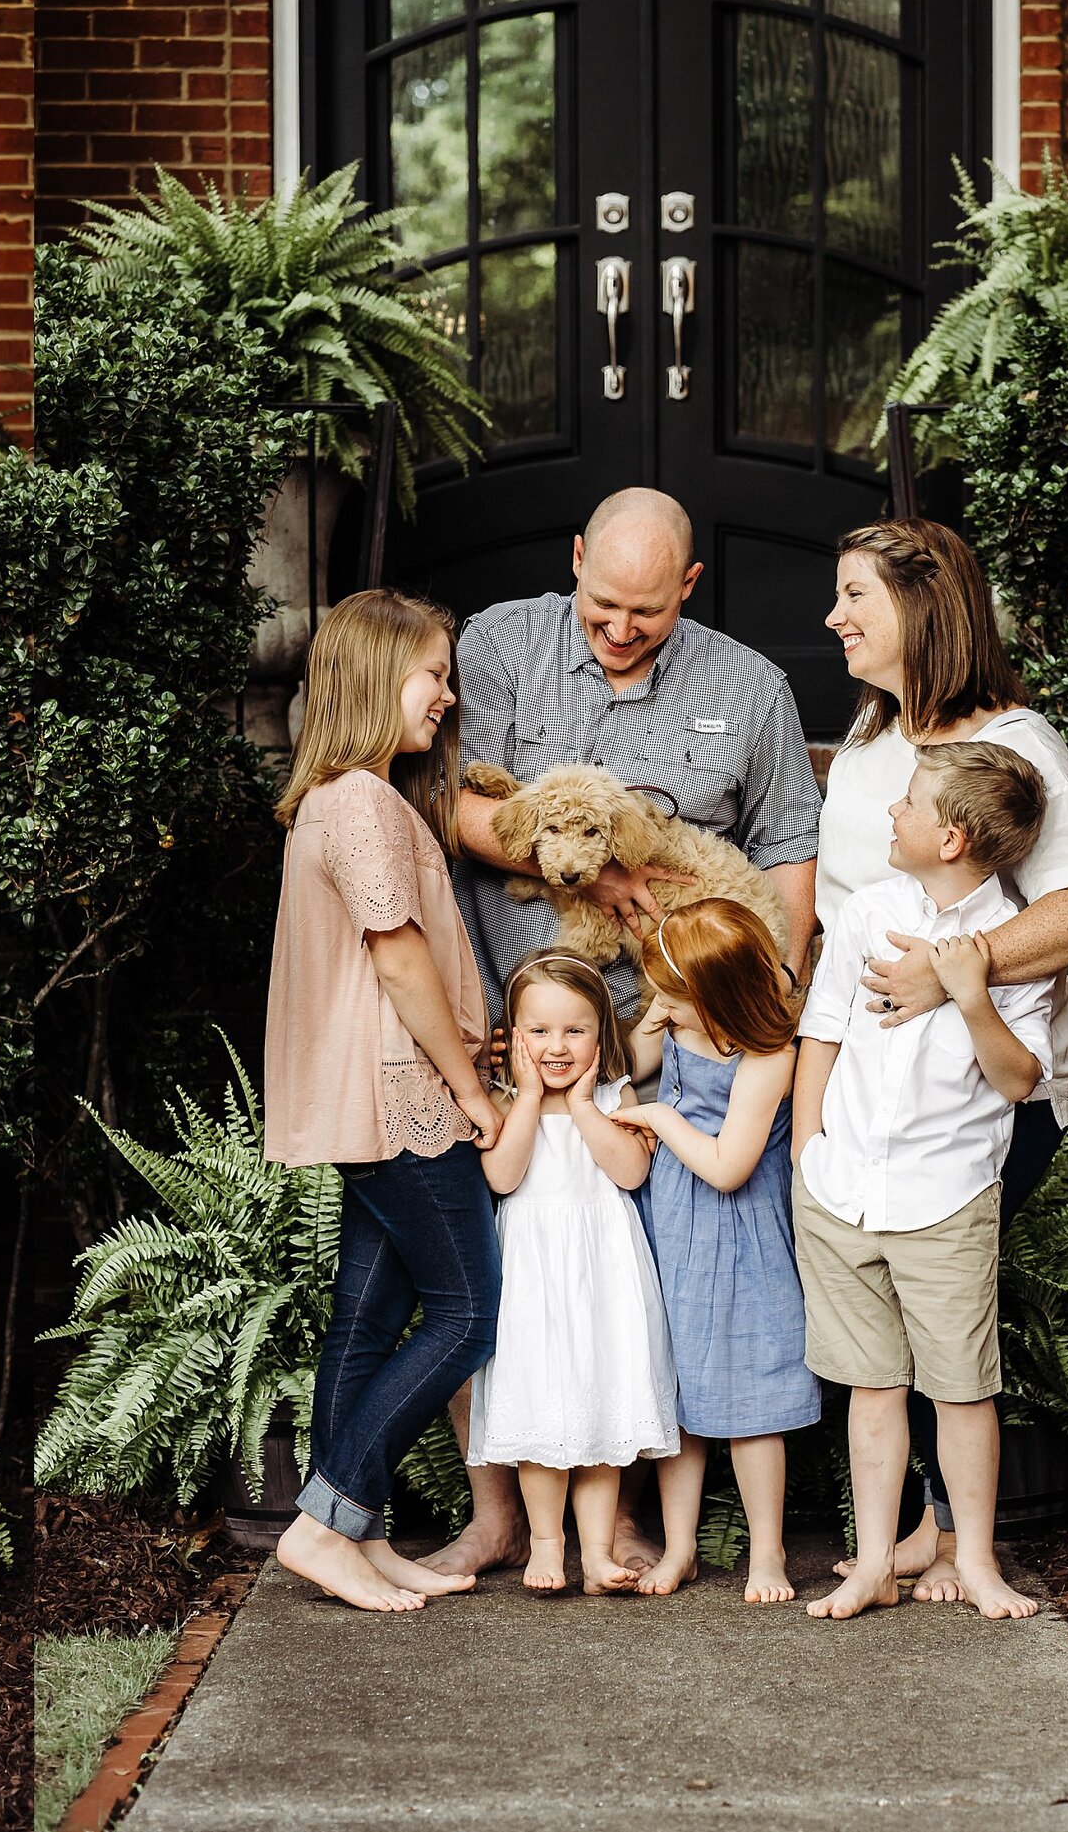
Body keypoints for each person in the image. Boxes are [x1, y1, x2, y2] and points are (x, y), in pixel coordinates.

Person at [437, 486, 821, 1582]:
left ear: (688, 589)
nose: (617, 627)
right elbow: (457, 808)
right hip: (526, 1031)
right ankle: (502, 1514)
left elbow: (789, 856)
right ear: (572, 562)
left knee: (639, 1286)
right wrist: (603, 876)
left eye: (645, 612)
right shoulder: (499, 644)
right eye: (601, 602)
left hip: (665, 1046)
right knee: (505, 1275)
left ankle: (626, 1523)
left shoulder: (749, 688)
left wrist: (770, 998)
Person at [816, 519, 1068, 1598]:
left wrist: (962, 965)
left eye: (856, 594)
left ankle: (951, 1536)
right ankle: (919, 1530)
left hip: (982, 1095)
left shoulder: (1011, 747)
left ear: (924, 605)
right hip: (865, 1098)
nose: (834, 616)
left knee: (941, 1297)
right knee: (885, 1311)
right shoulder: (866, 747)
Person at [264, 590, 507, 1614]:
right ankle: (324, 1523)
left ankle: (347, 1535)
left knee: (367, 1318)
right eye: (433, 674)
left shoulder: (342, 795)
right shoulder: (360, 801)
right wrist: (469, 1086)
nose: (446, 699)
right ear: (373, 677)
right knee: (465, 1314)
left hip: (371, 1101)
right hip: (404, 1099)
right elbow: (398, 957)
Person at [797, 741, 1054, 1624]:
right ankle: (874, 1563)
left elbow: (1020, 1080)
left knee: (960, 1386)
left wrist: (968, 988)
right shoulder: (867, 912)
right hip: (843, 1189)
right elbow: (823, 1033)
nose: (891, 815)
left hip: (943, 1197)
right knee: (871, 1388)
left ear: (949, 837)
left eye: (908, 803)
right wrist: (807, 1157)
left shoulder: (1014, 941)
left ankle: (974, 1561)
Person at [611, 900, 817, 1604]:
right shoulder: (677, 1017)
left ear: (715, 994)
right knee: (678, 1390)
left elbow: (731, 1164)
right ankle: (681, 1546)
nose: (657, 1004)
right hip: (672, 1217)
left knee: (748, 1391)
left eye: (671, 994)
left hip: (737, 1230)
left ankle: (768, 1551)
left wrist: (662, 1118)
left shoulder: (768, 1056)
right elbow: (627, 1061)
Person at [467, 954, 674, 1595]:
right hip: (534, 1274)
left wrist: (585, 1105)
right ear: (515, 1035)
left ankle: (599, 1552)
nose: (557, 1047)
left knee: (602, 1411)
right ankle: (546, 1547)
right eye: (540, 1031)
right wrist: (530, 1095)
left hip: (601, 1270)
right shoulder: (505, 1100)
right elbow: (502, 1177)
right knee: (539, 1414)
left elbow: (630, 1173)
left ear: (601, 1033)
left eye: (575, 1031)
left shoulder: (615, 1097)